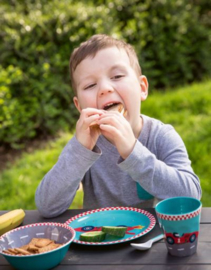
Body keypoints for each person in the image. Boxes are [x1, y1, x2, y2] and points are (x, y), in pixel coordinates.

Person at [35, 34, 201, 218]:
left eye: (117, 76)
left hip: (153, 242)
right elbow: (46, 206)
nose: (105, 88)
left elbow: (191, 196)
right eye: (90, 85)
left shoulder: (160, 136)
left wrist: (133, 152)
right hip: (98, 239)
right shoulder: (84, 146)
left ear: (142, 88)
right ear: (80, 107)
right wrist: (79, 152)